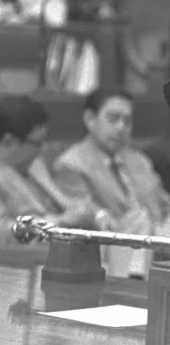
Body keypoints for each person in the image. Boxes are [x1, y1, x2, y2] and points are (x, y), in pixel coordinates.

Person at [0, 95, 105, 245]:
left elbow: (64, 202)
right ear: (9, 141)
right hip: (27, 260)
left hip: (66, 246)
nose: (43, 148)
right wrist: (61, 222)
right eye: (37, 143)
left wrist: (94, 213)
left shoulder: (33, 164)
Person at [53, 89, 170, 277]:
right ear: (90, 119)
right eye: (113, 119)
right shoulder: (71, 164)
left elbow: (165, 204)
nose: (121, 127)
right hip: (112, 252)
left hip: (158, 244)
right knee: (139, 218)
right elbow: (83, 213)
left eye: (127, 121)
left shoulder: (140, 161)